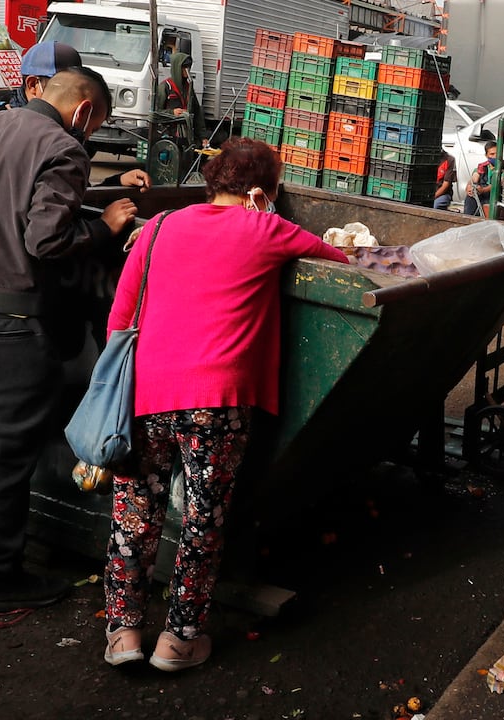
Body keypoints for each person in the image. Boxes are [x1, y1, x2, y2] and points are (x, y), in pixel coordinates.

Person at [100, 138, 348, 671]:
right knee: (201, 522)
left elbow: (121, 315)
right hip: (217, 402)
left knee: (135, 513)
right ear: (262, 191)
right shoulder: (267, 229)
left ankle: (124, 635)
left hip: (147, 391)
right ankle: (179, 640)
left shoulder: (159, 226)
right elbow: (340, 258)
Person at [0, 67, 140, 615]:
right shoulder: (63, 148)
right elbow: (46, 240)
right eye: (94, 124)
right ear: (84, 111)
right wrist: (105, 226)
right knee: (2, 458)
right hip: (9, 330)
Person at [9, 41, 152, 192]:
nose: (71, 96)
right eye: (60, 84)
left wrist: (116, 182)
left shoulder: (69, 140)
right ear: (32, 84)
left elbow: (74, 194)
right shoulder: (56, 147)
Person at [157, 52, 207, 150]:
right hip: (168, 135)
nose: (186, 70)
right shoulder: (165, 87)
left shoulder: (189, 88)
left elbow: (197, 114)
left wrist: (203, 137)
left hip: (186, 136)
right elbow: (156, 112)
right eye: (184, 67)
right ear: (177, 68)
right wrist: (172, 112)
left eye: (188, 67)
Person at [461, 140, 497, 218]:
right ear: (486, 155)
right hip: (481, 195)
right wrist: (470, 188)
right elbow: (473, 178)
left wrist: (483, 190)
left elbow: (499, 183)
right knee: (471, 197)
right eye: (492, 154)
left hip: (495, 197)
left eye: (497, 154)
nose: (495, 156)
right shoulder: (482, 167)